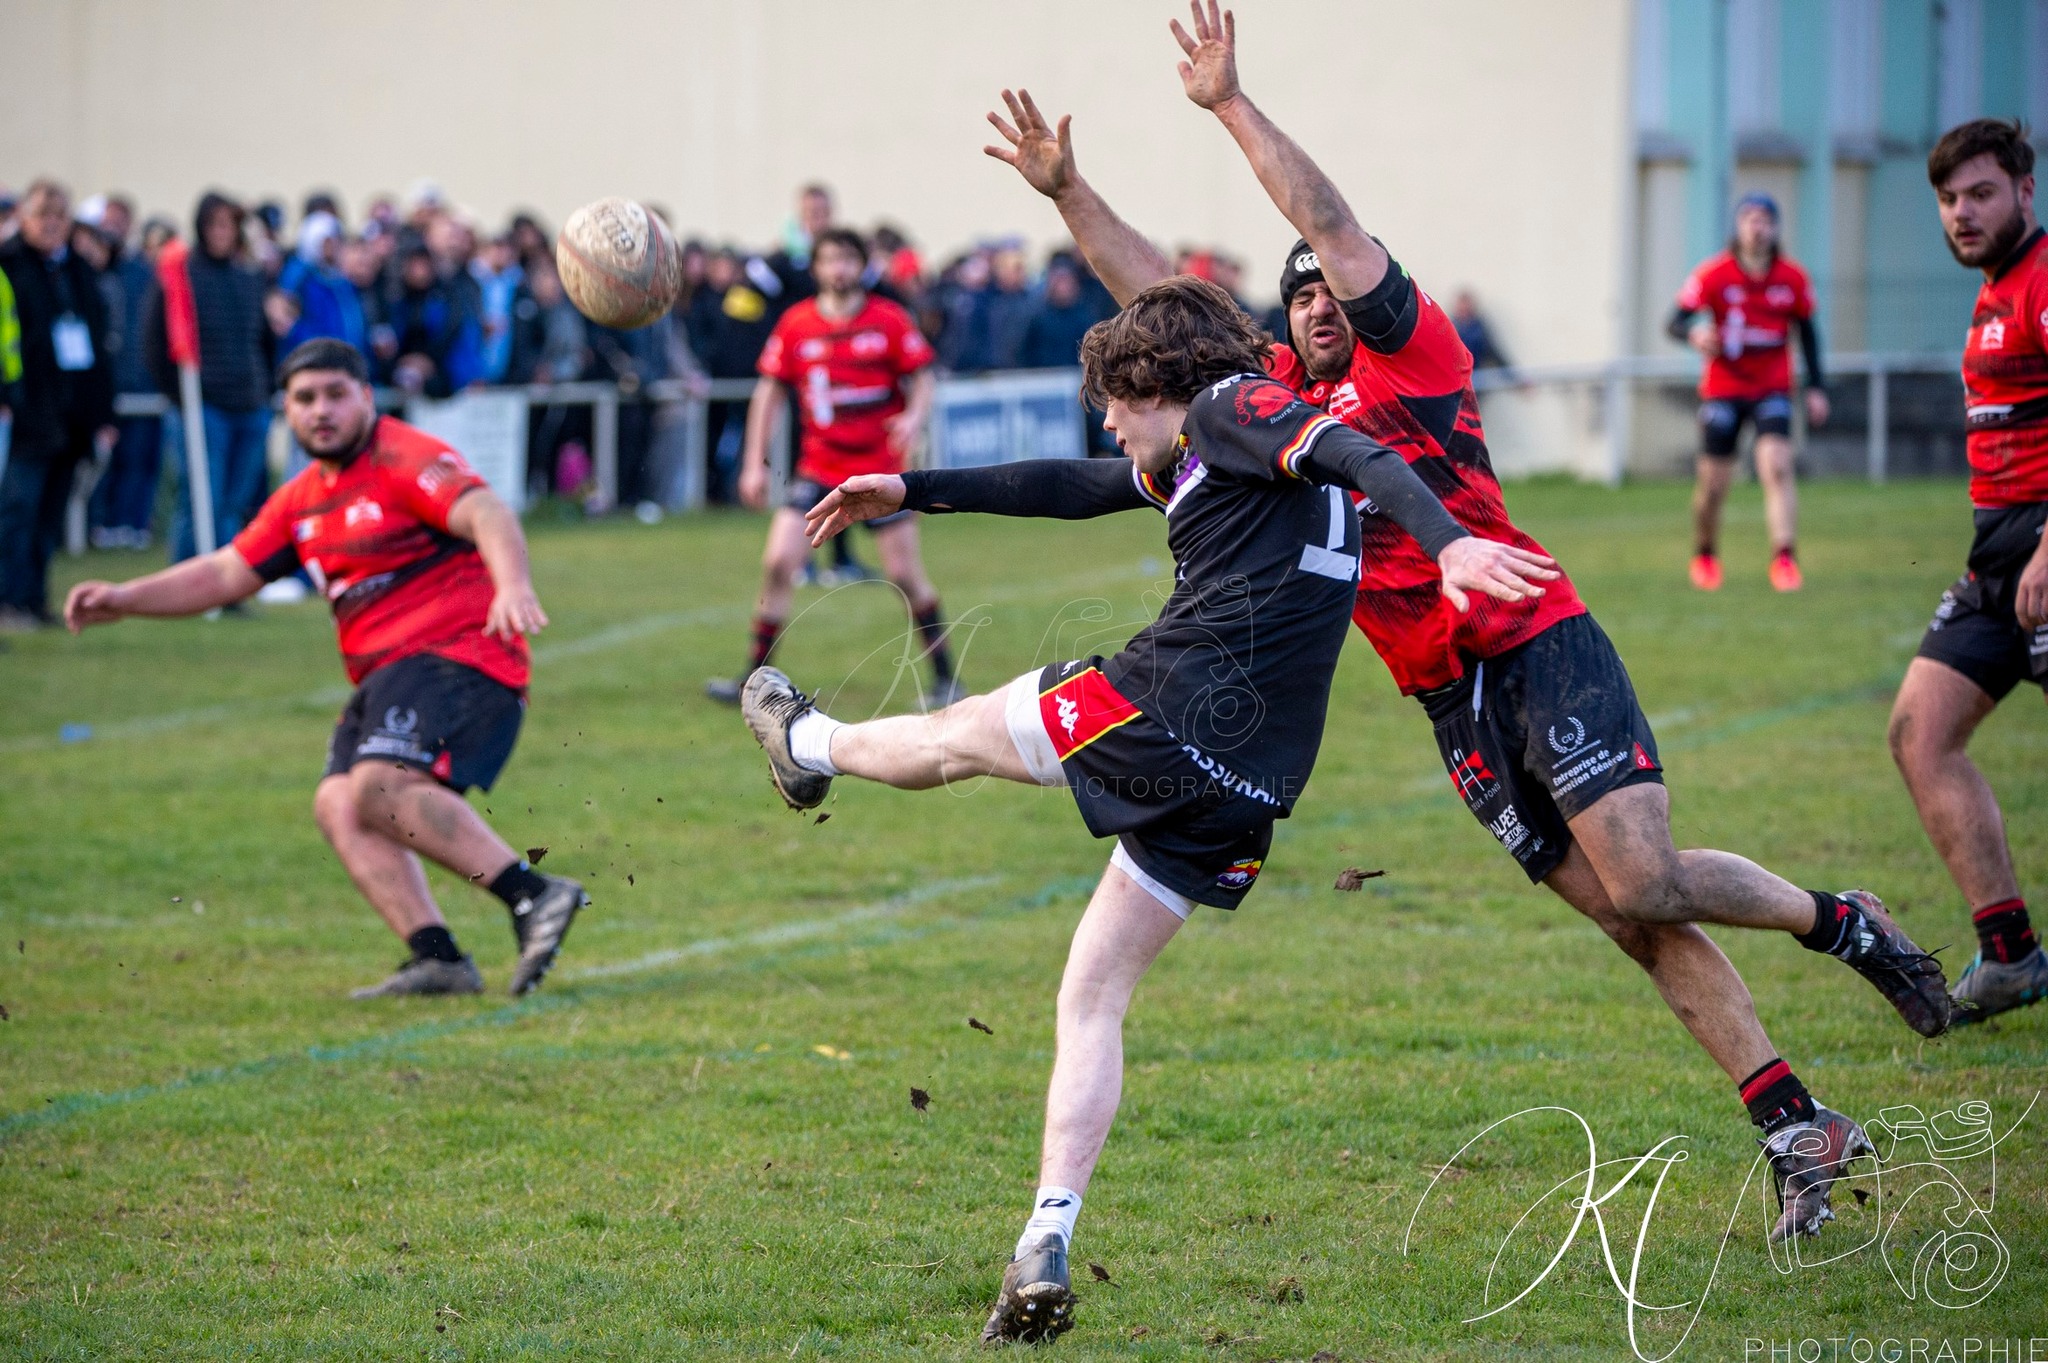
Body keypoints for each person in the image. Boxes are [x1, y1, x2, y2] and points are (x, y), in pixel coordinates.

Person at [986, 0, 1953, 1245]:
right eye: (1296, 296)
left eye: (1330, 287)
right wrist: (1069, 193)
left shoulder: (1415, 356)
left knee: (1649, 877)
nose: (1318, 302)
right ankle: (1796, 1127)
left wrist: (1227, 105)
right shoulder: (1267, 411)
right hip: (1447, 699)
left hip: (1533, 636)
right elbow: (1153, 301)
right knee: (1626, 919)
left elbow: (1327, 220)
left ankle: (1840, 919)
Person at [743, 275, 1556, 1342]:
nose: (1108, 425)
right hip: (1251, 783)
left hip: (1162, 711)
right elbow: (1072, 485)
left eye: (1114, 403)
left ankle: (804, 743)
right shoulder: (1233, 444)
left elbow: (1364, 454)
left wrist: (1446, 541)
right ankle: (1044, 1237)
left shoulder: (1230, 408)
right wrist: (911, 486)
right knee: (1091, 993)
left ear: (1154, 381)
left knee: (956, 736)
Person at [64, 338, 588, 999]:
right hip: (389, 675)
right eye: (305, 399)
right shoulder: (301, 499)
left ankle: (532, 894)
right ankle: (438, 958)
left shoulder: (403, 457)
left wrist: (511, 586)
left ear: (367, 397)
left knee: (377, 784)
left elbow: (486, 510)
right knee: (339, 802)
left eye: (336, 394)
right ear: (285, 410)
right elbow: (226, 572)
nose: (321, 411)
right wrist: (125, 598)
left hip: (461, 656)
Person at [1889, 117, 2048, 1022]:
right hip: (1996, 565)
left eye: (1981, 193)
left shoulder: (2042, 280)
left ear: (2026, 190)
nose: (1962, 212)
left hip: (2042, 550)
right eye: (1949, 199)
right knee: (1921, 731)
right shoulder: (1997, 290)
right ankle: (2011, 957)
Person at [705, 229, 957, 708]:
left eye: (847, 259)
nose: (838, 269)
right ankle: (752, 681)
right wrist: (754, 464)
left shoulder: (888, 319)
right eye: (829, 259)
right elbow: (769, 391)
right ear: (816, 268)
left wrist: (913, 418)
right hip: (819, 470)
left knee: (904, 574)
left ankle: (947, 679)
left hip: (881, 472)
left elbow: (923, 375)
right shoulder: (797, 323)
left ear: (861, 266)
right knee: (778, 563)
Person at [1668, 193, 1830, 592]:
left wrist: (1816, 388)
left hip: (1772, 386)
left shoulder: (1792, 278)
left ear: (1775, 228)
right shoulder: (1713, 274)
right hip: (1723, 389)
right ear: (1738, 227)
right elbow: (1673, 322)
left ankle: (1784, 558)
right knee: (1713, 484)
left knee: (1777, 465)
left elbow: (1809, 333)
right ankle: (1705, 552)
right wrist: (1694, 334)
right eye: (1750, 219)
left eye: (1764, 220)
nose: (1757, 228)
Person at [0, 179, 115, 630]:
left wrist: (103, 414)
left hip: (71, 415)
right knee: (18, 510)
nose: (50, 225)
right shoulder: (9, 266)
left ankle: (34, 599)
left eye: (59, 216)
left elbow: (98, 347)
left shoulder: (78, 270)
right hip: (26, 411)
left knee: (50, 514)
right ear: (24, 219)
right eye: (42, 216)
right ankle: (9, 600)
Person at [145, 191, 277, 562]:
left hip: (249, 404)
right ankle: (189, 577)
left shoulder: (249, 277)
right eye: (215, 224)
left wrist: (264, 390)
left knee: (235, 502)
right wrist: (179, 396)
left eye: (229, 225)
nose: (222, 232)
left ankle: (225, 578)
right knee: (201, 499)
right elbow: (155, 341)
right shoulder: (181, 276)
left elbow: (263, 340)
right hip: (204, 406)